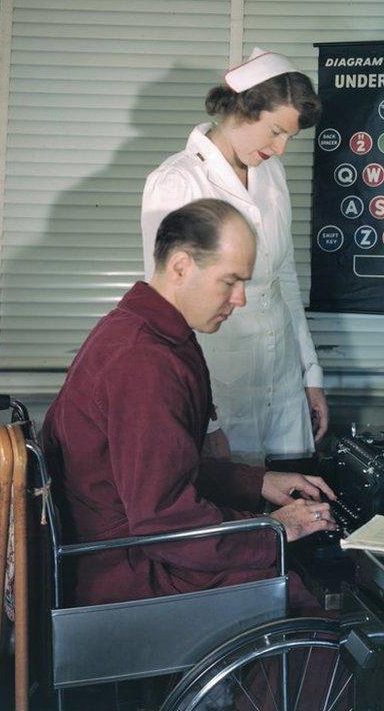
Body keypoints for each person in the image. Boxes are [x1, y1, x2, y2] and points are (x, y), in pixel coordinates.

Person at [42, 199, 337, 609]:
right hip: (126, 570)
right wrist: (272, 529)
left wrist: (259, 482)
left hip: (121, 550)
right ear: (181, 267)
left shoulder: (139, 329)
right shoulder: (145, 360)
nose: (240, 299)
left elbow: (164, 469)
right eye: (229, 281)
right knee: (294, 589)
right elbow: (162, 516)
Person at [141, 48, 327, 464]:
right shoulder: (177, 181)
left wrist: (309, 376)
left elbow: (286, 278)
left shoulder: (270, 174)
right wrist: (206, 421)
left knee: (292, 506)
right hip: (219, 391)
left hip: (280, 383)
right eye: (276, 131)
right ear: (244, 109)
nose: (281, 149)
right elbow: (165, 309)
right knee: (236, 512)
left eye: (289, 138)